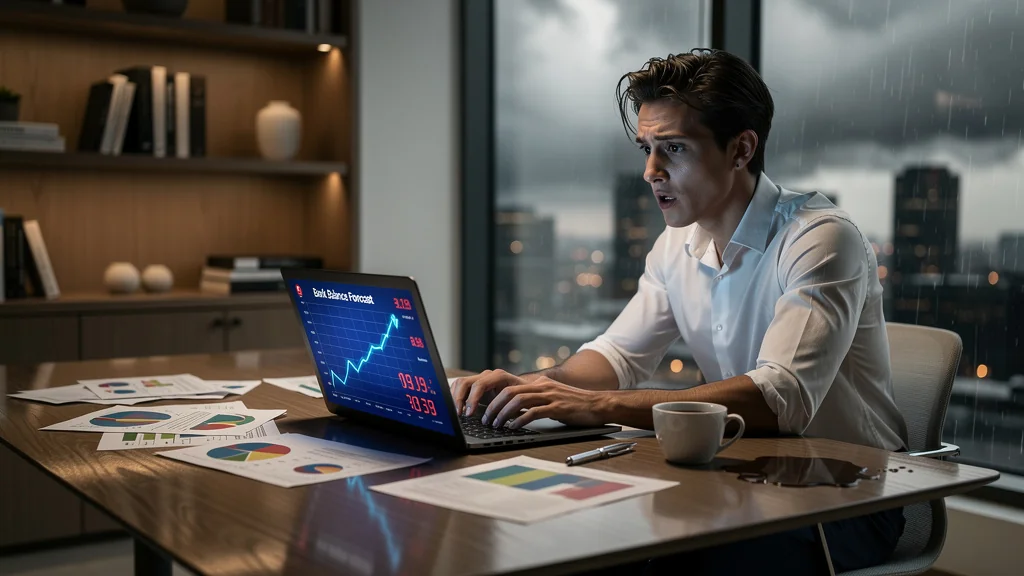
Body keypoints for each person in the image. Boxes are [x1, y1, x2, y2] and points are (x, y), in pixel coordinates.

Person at [451, 48, 909, 574]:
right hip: (745, 480)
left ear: (741, 149)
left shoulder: (821, 239)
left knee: (646, 559)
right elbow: (615, 357)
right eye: (646, 148)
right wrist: (528, 388)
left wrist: (595, 406)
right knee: (560, 535)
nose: (650, 171)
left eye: (673, 148)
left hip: (848, 498)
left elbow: (781, 398)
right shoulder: (677, 246)